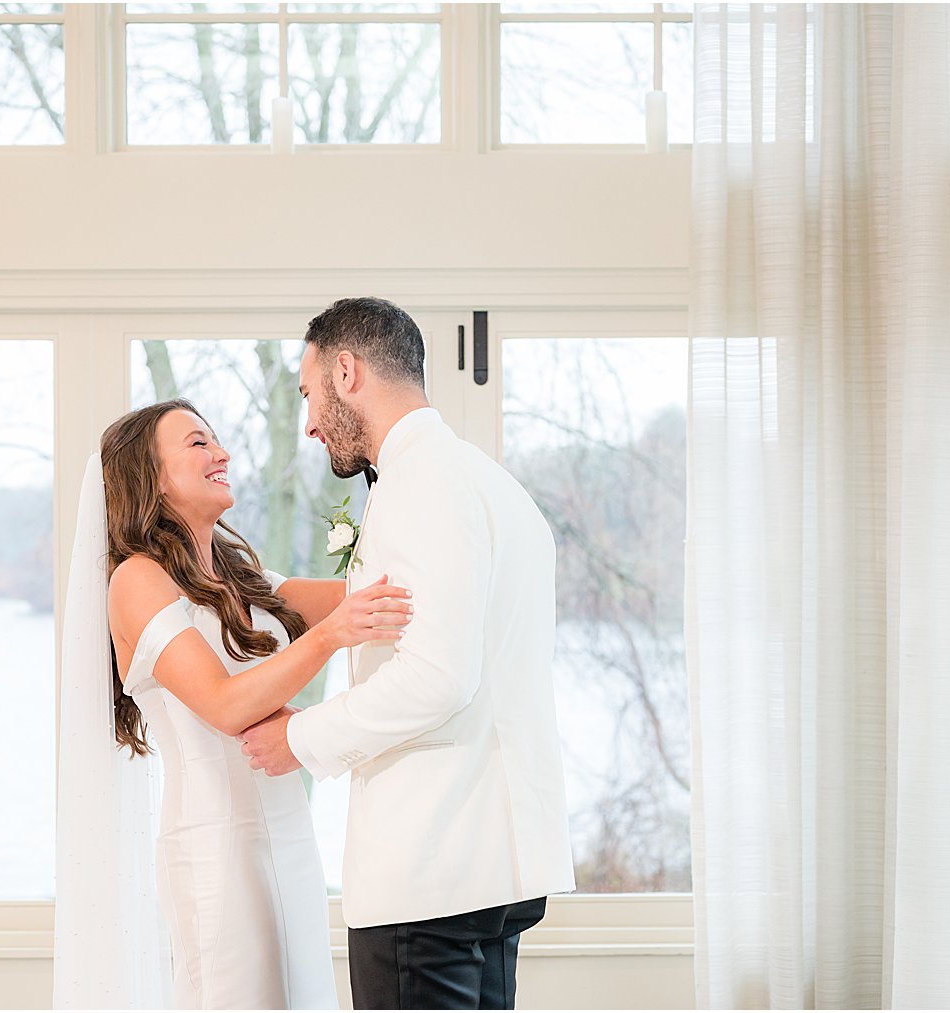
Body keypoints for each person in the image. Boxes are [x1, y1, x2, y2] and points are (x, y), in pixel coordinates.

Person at [239, 297, 576, 1010]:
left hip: (432, 865)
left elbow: (436, 677)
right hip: (492, 863)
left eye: (308, 393)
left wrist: (299, 735)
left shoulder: (419, 485)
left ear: (346, 369)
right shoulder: (492, 484)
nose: (307, 421)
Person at [66, 397, 414, 1010]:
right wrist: (334, 637)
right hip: (215, 844)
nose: (222, 453)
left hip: (288, 834)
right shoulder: (137, 579)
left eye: (217, 440)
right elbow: (225, 706)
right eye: (198, 444)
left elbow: (356, 596)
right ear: (148, 476)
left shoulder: (240, 572)